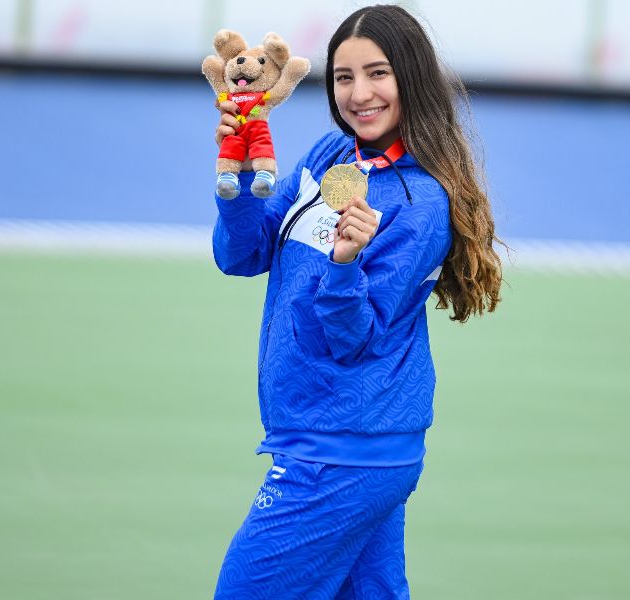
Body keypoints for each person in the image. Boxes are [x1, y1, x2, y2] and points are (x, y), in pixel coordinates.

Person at [210, 5, 502, 598]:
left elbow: (354, 338)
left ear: (411, 80)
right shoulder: (331, 155)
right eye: (345, 77)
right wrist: (239, 173)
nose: (359, 93)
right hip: (351, 442)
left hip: (341, 449)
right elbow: (244, 253)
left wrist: (344, 267)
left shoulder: (418, 203)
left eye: (378, 73)